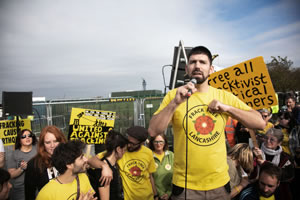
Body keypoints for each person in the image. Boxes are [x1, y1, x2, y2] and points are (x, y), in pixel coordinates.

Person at [148, 46, 265, 200]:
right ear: (187, 68)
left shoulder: (223, 96)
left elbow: (260, 123)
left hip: (219, 185)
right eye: (193, 62)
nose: (197, 65)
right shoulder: (174, 95)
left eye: (202, 62)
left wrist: (227, 108)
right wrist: (174, 103)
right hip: (185, 187)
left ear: (210, 69)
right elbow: (152, 131)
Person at [89, 126, 158, 200]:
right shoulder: (121, 150)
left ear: (142, 143)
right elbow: (91, 160)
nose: (128, 145)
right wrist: (104, 166)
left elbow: (150, 176)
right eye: (128, 142)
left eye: (132, 143)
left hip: (148, 197)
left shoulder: (148, 153)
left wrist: (155, 195)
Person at [24, 125, 67, 200]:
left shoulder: (69, 158)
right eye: (48, 142)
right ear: (42, 144)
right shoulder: (34, 164)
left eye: (55, 141)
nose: (52, 146)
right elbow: (29, 194)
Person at [253, 128, 294, 200]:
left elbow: (288, 175)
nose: (268, 141)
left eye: (272, 139)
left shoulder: (285, 158)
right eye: (266, 138)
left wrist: (266, 164)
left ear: (279, 142)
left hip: (279, 192)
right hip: (256, 190)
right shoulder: (256, 152)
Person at [87, 130, 128, 200]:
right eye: (124, 149)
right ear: (118, 149)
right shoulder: (104, 172)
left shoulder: (113, 165)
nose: (125, 152)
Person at [7, 129, 37, 200]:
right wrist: (21, 169)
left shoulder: (38, 150)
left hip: (37, 186)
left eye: (29, 135)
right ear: (19, 140)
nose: (27, 137)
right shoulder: (14, 154)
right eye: (23, 136)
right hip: (21, 189)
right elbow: (11, 174)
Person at [149, 133, 174, 200]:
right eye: (156, 141)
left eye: (161, 141)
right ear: (152, 143)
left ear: (165, 142)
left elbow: (176, 175)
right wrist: (158, 194)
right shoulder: (149, 156)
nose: (158, 144)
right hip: (155, 196)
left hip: (171, 194)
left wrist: (168, 193)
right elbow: (149, 178)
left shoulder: (171, 155)